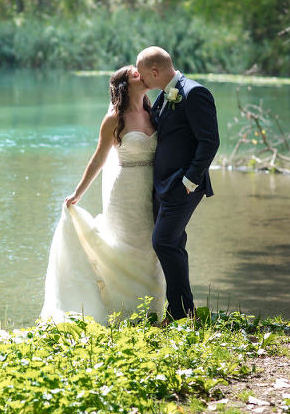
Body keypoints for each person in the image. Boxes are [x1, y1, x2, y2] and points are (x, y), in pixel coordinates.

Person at [40, 65, 166, 324]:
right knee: (127, 248)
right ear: (125, 84)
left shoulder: (154, 112)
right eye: (135, 73)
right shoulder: (114, 118)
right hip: (125, 191)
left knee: (150, 251)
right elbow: (99, 158)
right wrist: (78, 192)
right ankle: (122, 309)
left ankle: (152, 312)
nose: (141, 74)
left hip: (152, 190)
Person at [136, 46, 220, 321]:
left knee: (163, 242)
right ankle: (184, 312)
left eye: (142, 74)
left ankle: (179, 312)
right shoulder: (162, 95)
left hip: (183, 185)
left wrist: (189, 181)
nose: (140, 79)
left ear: (155, 71)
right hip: (165, 185)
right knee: (174, 242)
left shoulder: (194, 93)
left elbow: (210, 141)